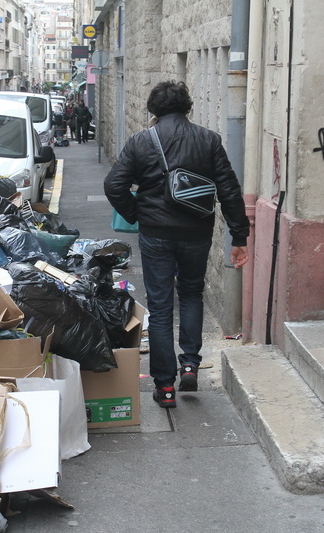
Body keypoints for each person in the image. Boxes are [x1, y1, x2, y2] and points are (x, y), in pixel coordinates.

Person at [104, 81, 250, 409]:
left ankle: (165, 386)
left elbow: (114, 184)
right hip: (196, 233)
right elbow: (229, 190)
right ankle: (190, 364)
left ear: (153, 109)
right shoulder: (209, 140)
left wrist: (137, 213)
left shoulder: (141, 142)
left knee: (159, 306)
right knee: (191, 295)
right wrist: (239, 236)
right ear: (187, 106)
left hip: (156, 234)